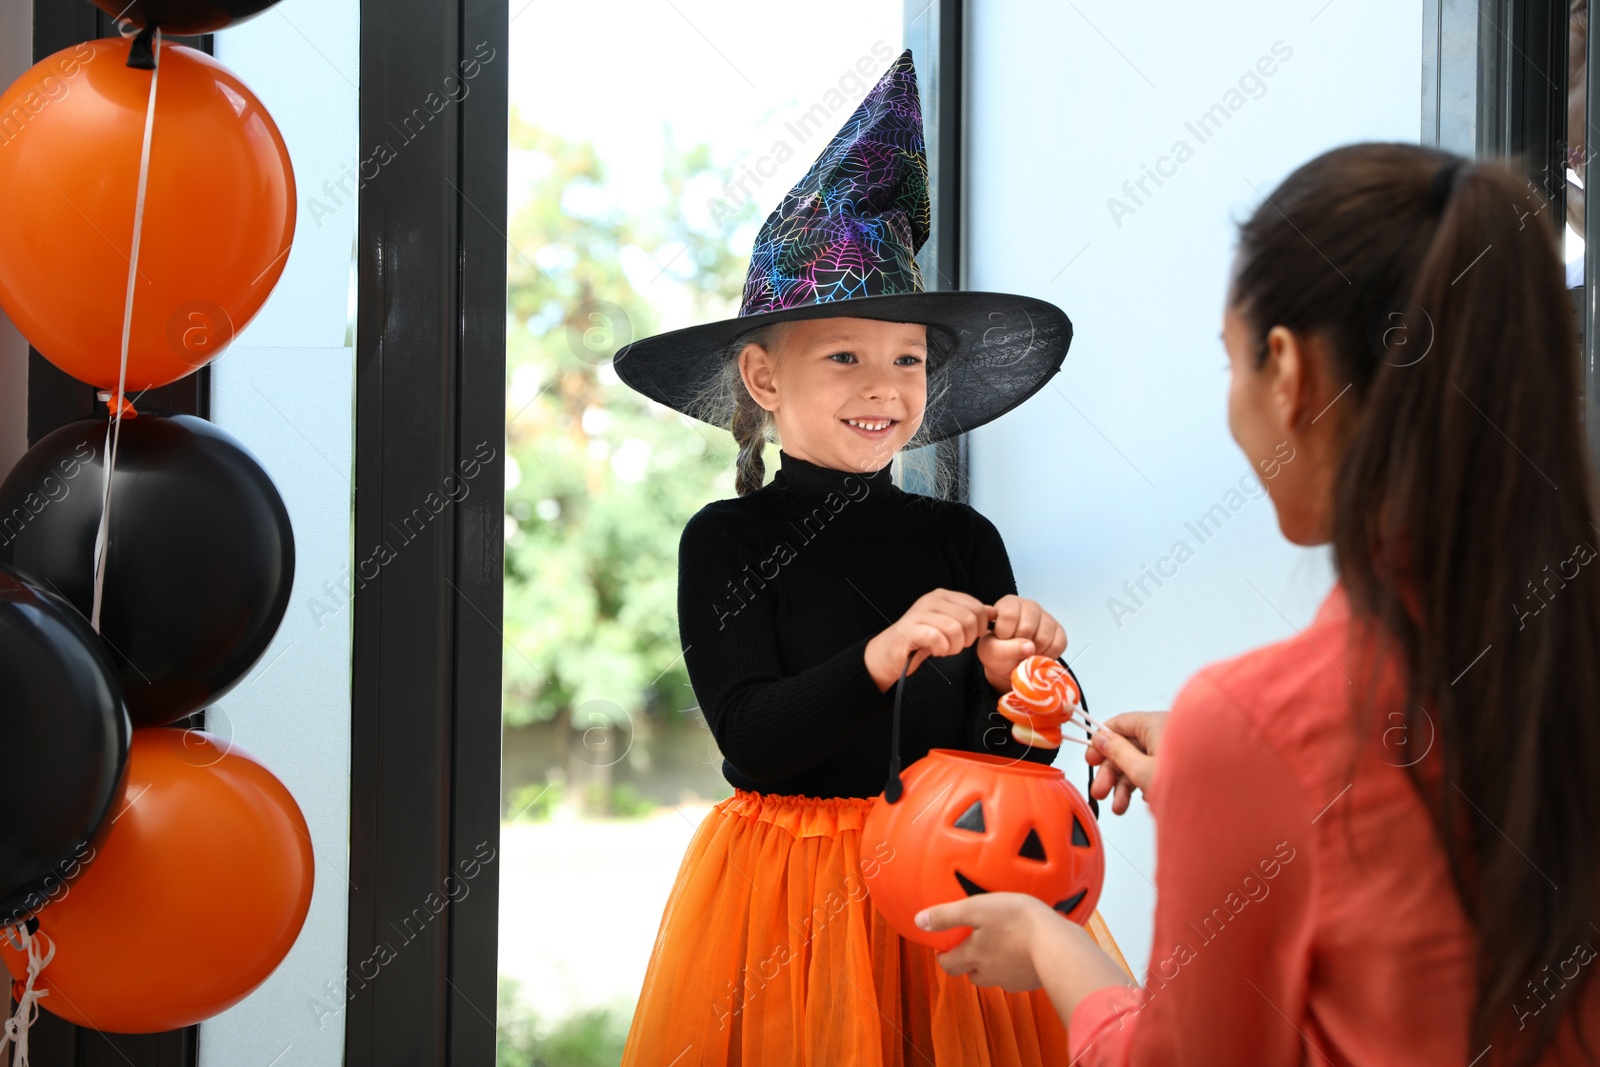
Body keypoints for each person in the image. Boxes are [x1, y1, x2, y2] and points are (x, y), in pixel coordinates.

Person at [915, 141, 1600, 1065]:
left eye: (1230, 362)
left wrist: (1053, 944)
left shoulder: (1260, 723)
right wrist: (1228, 784)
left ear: (1288, 371)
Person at [612, 49, 1129, 1066]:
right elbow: (756, 736)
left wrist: (1023, 691)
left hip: (953, 891)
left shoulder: (960, 537)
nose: (883, 384)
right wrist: (884, 653)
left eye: (907, 359)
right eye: (844, 354)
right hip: (786, 905)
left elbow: (1010, 769)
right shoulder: (728, 540)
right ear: (763, 373)